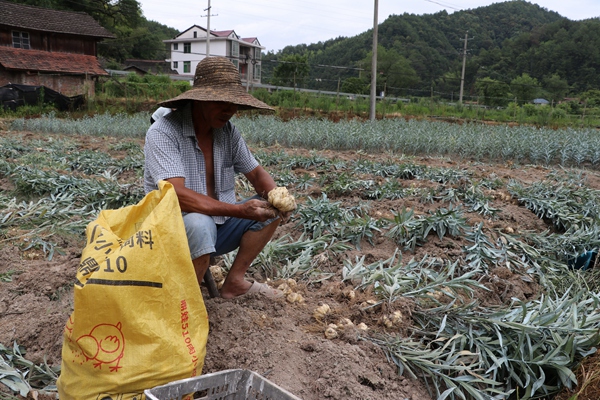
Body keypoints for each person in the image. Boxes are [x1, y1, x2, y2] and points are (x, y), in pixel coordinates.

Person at [144, 56, 290, 299]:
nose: (229, 110)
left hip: (218, 227)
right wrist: (240, 210)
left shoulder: (227, 133)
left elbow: (255, 172)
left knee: (269, 210)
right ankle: (185, 302)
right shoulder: (163, 132)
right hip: (172, 232)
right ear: (199, 100)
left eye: (233, 104)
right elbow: (176, 195)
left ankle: (234, 282)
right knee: (200, 223)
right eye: (221, 102)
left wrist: (278, 198)